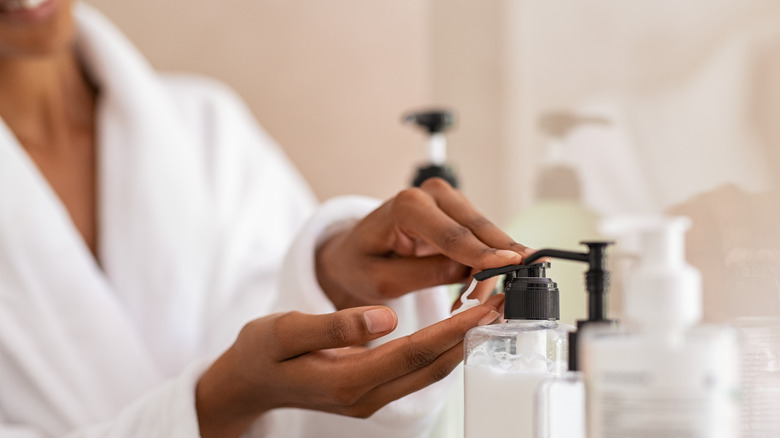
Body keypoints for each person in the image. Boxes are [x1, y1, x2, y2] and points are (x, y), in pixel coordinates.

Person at [0, 1, 532, 437]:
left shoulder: (207, 129)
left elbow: (273, 314)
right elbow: (241, 374)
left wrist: (330, 281)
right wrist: (221, 401)